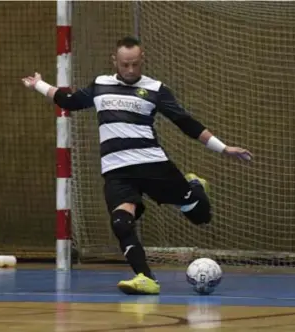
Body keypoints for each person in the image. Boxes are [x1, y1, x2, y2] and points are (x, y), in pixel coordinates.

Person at [22, 36, 252, 295]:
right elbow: (69, 100)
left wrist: (223, 148)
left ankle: (195, 186)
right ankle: (146, 278)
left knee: (201, 216)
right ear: (115, 62)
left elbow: (185, 122)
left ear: (142, 60)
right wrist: (39, 84)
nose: (130, 70)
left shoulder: (156, 89)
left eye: (135, 64)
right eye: (124, 64)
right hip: (116, 171)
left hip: (152, 165)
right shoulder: (100, 85)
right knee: (121, 223)